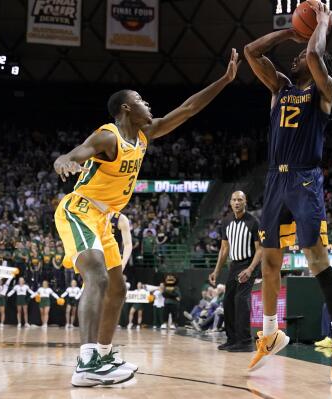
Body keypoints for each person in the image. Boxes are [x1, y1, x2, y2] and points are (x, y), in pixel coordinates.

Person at [52, 49, 239, 386]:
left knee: (119, 289)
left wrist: (224, 81)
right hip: (79, 210)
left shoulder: (143, 135)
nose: (147, 104)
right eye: (140, 100)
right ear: (126, 107)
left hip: (104, 219)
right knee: (97, 277)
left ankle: (105, 355)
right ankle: (87, 362)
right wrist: (64, 160)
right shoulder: (108, 135)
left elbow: (188, 108)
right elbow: (77, 152)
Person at [244, 1, 332, 382]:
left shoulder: (324, 91)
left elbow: (313, 53)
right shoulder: (280, 88)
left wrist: (321, 23)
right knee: (270, 262)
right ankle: (272, 332)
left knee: (315, 258)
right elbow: (251, 52)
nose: (296, 57)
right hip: (276, 179)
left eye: (302, 55)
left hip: (305, 179)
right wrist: (290, 32)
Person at [208, 191, 262, 352]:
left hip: (249, 264)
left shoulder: (253, 222)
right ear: (230, 203)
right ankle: (232, 339)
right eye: (234, 200)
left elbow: (260, 250)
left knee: (240, 300)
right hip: (234, 265)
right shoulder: (226, 222)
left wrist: (250, 269)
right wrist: (216, 271)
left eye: (240, 200)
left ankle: (245, 341)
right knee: (228, 301)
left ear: (245, 202)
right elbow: (224, 249)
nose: (237, 202)